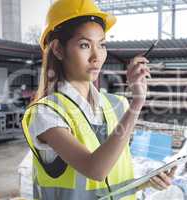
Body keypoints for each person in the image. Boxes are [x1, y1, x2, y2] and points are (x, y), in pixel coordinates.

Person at [21, 0, 176, 199]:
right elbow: (96, 169)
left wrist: (147, 181)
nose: (97, 56)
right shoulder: (47, 113)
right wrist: (138, 102)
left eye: (101, 45)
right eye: (84, 45)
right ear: (58, 49)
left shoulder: (117, 104)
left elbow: (112, 179)